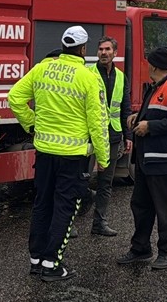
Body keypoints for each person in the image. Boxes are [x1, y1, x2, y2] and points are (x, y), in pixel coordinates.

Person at [8, 26, 110, 282]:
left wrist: (31, 124)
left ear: (64, 45)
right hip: (73, 156)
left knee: (42, 204)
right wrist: (104, 158)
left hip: (44, 152)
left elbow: (14, 97)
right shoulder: (88, 77)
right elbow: (97, 122)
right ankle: (52, 265)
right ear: (84, 49)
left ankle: (36, 259)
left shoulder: (42, 68)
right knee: (65, 208)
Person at [118, 46, 167, 271]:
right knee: (141, 205)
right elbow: (156, 111)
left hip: (166, 159)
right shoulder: (158, 85)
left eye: (148, 62)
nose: (146, 65)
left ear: (154, 65)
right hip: (148, 159)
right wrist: (138, 117)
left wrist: (149, 126)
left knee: (166, 208)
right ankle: (140, 248)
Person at [88, 36, 131, 237]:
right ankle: (70, 222)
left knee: (106, 182)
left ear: (115, 53)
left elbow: (125, 108)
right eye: (100, 49)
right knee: (81, 180)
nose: (103, 53)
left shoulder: (121, 77)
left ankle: (99, 222)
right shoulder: (87, 74)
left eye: (107, 49)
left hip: (113, 135)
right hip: (88, 136)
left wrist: (127, 135)